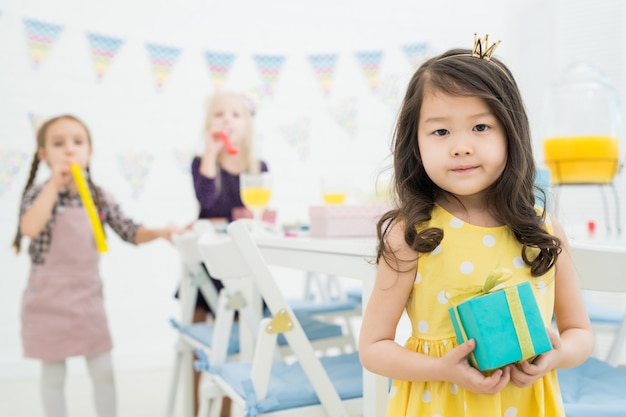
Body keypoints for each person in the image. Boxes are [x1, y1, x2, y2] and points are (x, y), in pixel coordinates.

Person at [358, 36, 594, 417]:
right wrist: (440, 368)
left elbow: (579, 333)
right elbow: (373, 347)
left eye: (481, 127)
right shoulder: (412, 235)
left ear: (510, 133)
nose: (461, 147)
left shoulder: (543, 230)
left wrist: (558, 354)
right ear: (414, 145)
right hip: (439, 404)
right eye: (441, 132)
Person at [12, 114, 181, 417]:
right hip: (47, 299)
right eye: (58, 143)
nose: (69, 150)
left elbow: (129, 231)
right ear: (43, 155)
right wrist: (53, 184)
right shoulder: (39, 194)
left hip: (87, 298)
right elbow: (29, 228)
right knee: (53, 373)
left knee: (102, 370)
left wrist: (160, 232)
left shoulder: (100, 197)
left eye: (78, 142)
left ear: (90, 151)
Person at [189, 91, 267, 416]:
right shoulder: (202, 164)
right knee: (200, 342)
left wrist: (240, 217)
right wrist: (210, 153)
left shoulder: (257, 167)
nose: (227, 120)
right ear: (209, 124)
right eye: (219, 114)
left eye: (235, 115)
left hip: (241, 265)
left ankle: (224, 410)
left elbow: (255, 214)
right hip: (208, 266)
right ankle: (197, 407)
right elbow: (206, 201)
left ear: (247, 125)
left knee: (239, 341)